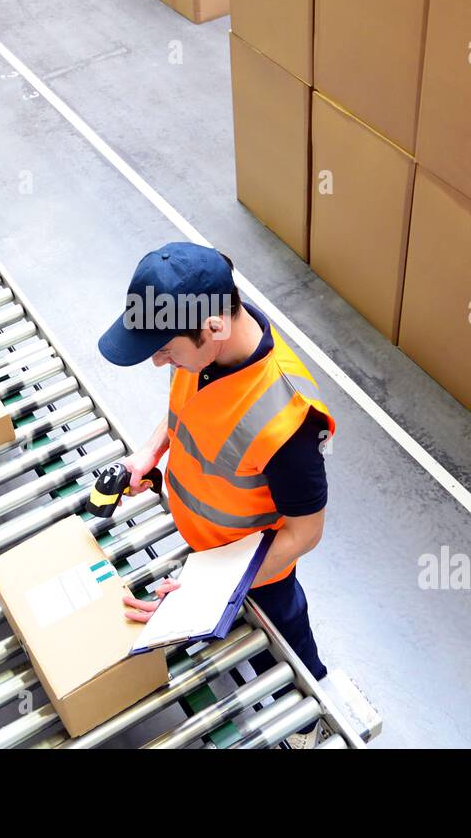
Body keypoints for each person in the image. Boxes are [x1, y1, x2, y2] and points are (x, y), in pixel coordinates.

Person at [97, 241, 335, 749]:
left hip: (256, 570)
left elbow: (305, 534)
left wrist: (210, 592)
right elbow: (193, 402)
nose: (160, 362)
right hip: (205, 543)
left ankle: (311, 722)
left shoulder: (289, 422)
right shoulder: (211, 346)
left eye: (165, 349)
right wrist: (148, 453)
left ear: (213, 328)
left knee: (283, 638)